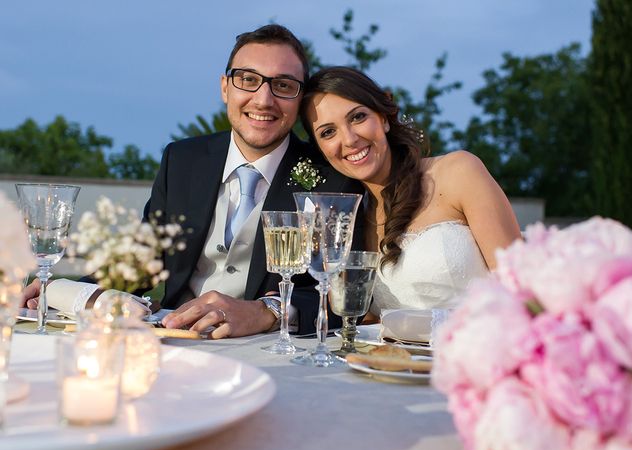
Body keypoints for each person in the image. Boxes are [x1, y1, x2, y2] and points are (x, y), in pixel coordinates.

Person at [22, 25, 363, 337]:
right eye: (247, 79)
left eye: (283, 85)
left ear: (300, 99)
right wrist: (65, 291)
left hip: (273, 352)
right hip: (170, 340)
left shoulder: (334, 177)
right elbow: (142, 262)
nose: (263, 99)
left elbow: (343, 296)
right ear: (225, 87)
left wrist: (267, 312)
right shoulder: (181, 160)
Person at [300, 66, 521, 318]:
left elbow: (522, 288)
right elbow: (364, 321)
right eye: (328, 132)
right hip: (392, 357)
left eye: (358, 117)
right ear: (320, 149)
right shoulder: (349, 222)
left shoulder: (458, 172)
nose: (349, 139)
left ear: (383, 118)